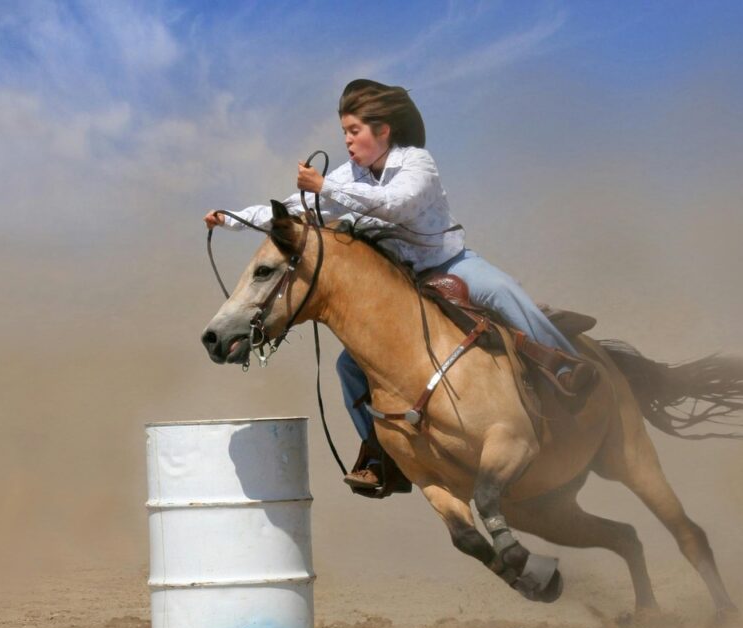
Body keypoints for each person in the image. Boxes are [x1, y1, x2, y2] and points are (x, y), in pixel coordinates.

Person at [204, 79, 594, 495]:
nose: (348, 141)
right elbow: (296, 208)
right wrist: (230, 218)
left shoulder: (417, 163)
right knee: (348, 367)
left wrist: (327, 188)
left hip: (450, 265)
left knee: (501, 291)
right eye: (345, 133)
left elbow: (395, 204)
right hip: (405, 282)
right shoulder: (348, 174)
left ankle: (566, 368)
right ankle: (380, 454)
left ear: (384, 130)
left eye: (354, 131)